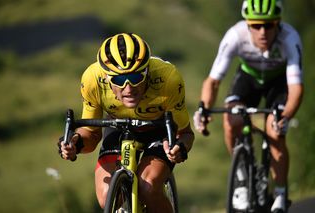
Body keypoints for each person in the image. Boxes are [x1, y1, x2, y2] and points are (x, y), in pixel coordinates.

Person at [58, 33, 194, 213]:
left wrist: (179, 147)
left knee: (148, 187)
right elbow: (91, 135)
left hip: (157, 129)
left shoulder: (168, 78)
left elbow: (185, 133)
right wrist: (75, 142)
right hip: (118, 127)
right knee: (107, 197)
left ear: (147, 72)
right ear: (106, 78)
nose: (128, 89)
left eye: (136, 77)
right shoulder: (92, 80)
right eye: (119, 80)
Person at [193, 0, 303, 212]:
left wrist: (285, 116)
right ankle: (242, 179)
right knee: (231, 119)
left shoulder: (290, 38)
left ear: (278, 23)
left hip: (279, 82)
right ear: (247, 25)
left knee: (274, 130)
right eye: (255, 25)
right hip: (248, 79)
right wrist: (204, 108)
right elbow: (213, 81)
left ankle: (280, 192)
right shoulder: (235, 35)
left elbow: (296, 88)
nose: (262, 32)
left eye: (269, 25)